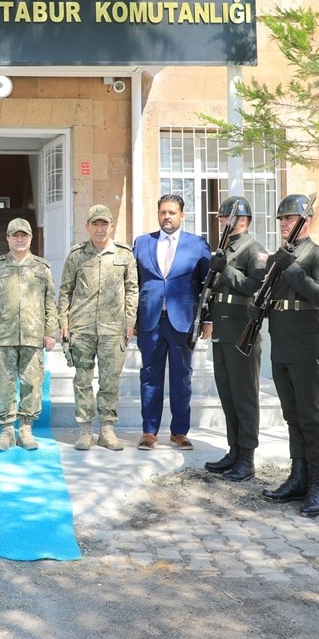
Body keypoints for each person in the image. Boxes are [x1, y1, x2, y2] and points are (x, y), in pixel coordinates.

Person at [259, 193, 319, 517]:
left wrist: (291, 269)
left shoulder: (318, 256)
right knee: (292, 415)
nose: (284, 223)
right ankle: (298, 476)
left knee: (312, 417)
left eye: (289, 218)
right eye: (281, 219)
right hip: (282, 343)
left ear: (307, 221)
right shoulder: (278, 257)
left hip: (307, 344)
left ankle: (317, 484)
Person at [133, 193, 211, 451]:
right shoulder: (142, 243)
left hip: (182, 322)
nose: (167, 216)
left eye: (172, 212)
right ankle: (149, 431)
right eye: (163, 212)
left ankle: (179, 432)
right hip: (150, 321)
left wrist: (207, 320)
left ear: (182, 215)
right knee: (149, 377)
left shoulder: (197, 245)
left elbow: (207, 285)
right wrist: (131, 319)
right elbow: (132, 284)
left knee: (182, 377)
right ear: (158, 214)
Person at [58, 204, 138, 451]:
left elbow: (132, 289)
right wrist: (63, 322)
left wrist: (130, 321)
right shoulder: (77, 255)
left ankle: (107, 429)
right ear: (88, 226)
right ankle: (85, 430)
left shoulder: (124, 254)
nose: (100, 229)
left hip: (113, 329)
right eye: (95, 224)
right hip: (81, 328)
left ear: (111, 226)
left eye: (105, 224)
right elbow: (65, 290)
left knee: (109, 381)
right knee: (82, 380)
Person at [203, 196, 268, 481]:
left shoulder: (253, 250)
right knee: (227, 395)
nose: (221, 222)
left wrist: (225, 270)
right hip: (222, 331)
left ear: (243, 220)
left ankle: (247, 457)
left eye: (225, 218)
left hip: (242, 332)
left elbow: (256, 287)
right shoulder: (224, 249)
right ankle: (234, 450)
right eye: (219, 218)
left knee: (244, 397)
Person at [0, 218, 58, 451]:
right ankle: (6, 431)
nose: (19, 239)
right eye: (15, 235)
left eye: (23, 235)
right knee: (4, 386)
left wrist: (50, 332)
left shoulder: (42, 268)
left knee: (32, 385)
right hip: (4, 336)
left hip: (33, 336)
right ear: (7, 238)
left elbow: (50, 302)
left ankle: (25, 429)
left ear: (30, 238)